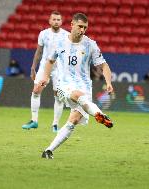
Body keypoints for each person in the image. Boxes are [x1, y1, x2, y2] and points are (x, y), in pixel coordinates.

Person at [39, 13, 114, 159]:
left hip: (85, 87)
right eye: (80, 26)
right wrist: (46, 77)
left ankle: (48, 151)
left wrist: (109, 82)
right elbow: (50, 61)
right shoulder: (59, 42)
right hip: (63, 85)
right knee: (77, 95)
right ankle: (99, 115)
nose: (82, 30)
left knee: (73, 120)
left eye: (85, 27)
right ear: (72, 24)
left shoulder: (90, 44)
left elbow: (104, 65)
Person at [22, 11, 70, 132]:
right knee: (36, 91)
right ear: (49, 21)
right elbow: (38, 52)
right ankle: (34, 121)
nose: (56, 21)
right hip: (44, 67)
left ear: (61, 21)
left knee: (58, 96)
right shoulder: (43, 34)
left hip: (59, 69)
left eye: (58, 19)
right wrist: (33, 67)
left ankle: (55, 125)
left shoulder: (66, 35)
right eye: (54, 19)